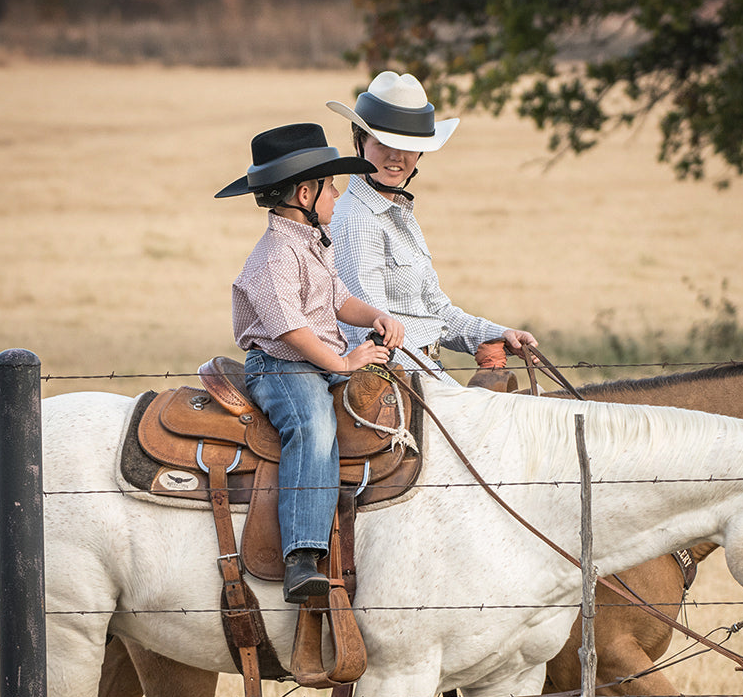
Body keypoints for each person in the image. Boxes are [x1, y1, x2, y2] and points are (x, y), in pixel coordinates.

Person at [216, 123, 405, 603]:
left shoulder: (312, 243)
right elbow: (291, 330)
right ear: (306, 192)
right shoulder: (275, 255)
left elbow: (340, 301)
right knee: (314, 427)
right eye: (332, 186)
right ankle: (301, 555)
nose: (339, 197)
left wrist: (380, 314)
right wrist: (344, 364)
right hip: (282, 367)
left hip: (314, 361)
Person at [326, 71, 538, 375]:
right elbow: (374, 338)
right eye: (383, 142)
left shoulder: (398, 214)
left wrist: (497, 333)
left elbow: (437, 311)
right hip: (396, 378)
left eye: (409, 145)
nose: (396, 156)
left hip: (422, 371)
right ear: (360, 141)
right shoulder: (356, 220)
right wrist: (447, 388)